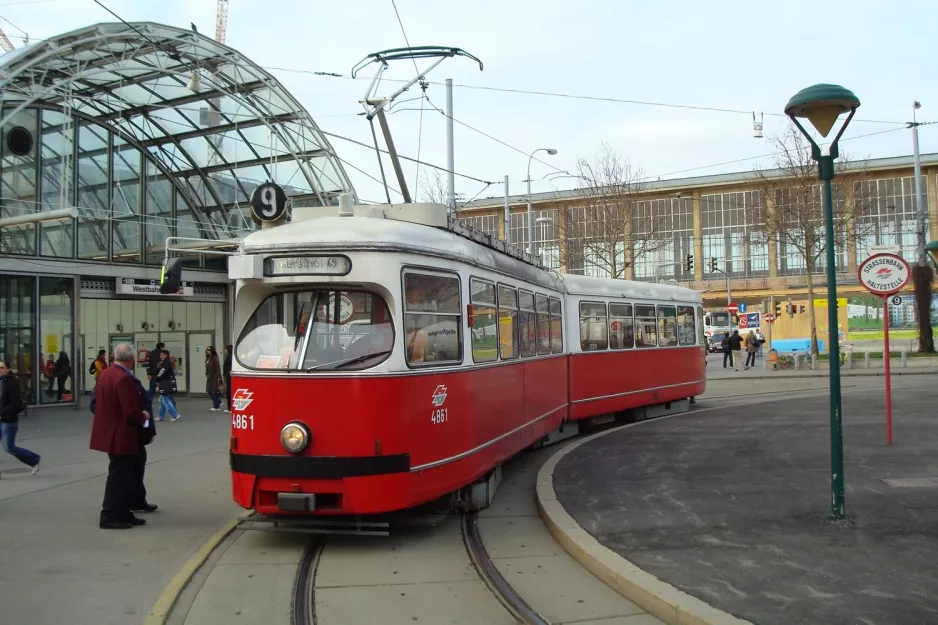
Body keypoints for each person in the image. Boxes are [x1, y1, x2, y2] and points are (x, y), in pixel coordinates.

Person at [89, 343, 150, 530]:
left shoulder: (106, 374)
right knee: (119, 476)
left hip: (111, 432)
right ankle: (110, 515)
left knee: (123, 474)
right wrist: (143, 417)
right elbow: (130, 410)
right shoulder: (123, 379)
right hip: (122, 434)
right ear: (131, 359)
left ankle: (124, 513)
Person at [0, 358, 41, 477]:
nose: (0, 370)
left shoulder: (12, 383)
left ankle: (34, 459)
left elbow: (15, 404)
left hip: (8, 420)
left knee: (9, 448)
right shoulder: (1, 381)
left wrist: (2, 413)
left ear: (8, 369)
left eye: (2, 367)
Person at [154, 350, 180, 422]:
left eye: (161, 355)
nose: (160, 356)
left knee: (165, 400)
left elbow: (162, 371)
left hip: (165, 382)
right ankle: (161, 416)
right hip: (167, 382)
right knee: (163, 400)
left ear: (165, 355)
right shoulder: (166, 361)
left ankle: (175, 414)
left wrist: (157, 379)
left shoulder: (166, 362)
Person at [205, 346, 222, 411]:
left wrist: (218, 377)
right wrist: (206, 374)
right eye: (207, 350)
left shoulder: (215, 358)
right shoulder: (207, 358)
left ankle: (216, 406)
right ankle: (218, 402)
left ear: (212, 351)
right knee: (209, 391)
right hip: (209, 377)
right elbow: (207, 368)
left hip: (215, 377)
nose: (207, 351)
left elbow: (217, 369)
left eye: (209, 350)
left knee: (213, 392)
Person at [223, 345, 233, 413]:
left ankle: (230, 408)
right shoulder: (228, 357)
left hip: (229, 376)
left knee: (230, 391)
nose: (225, 351)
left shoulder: (230, 357)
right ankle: (229, 407)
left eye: (226, 349)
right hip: (228, 375)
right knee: (228, 391)